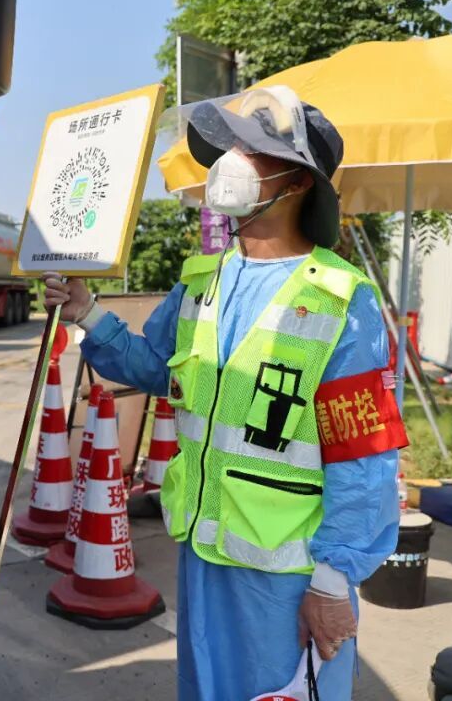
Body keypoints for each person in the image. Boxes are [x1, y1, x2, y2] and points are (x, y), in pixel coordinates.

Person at [44, 86, 408, 701]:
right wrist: (88, 314)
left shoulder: (341, 300)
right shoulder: (201, 283)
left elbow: (364, 455)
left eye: (253, 150)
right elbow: (157, 368)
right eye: (232, 147)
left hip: (287, 577)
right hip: (203, 552)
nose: (231, 162)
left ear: (298, 181)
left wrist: (332, 580)